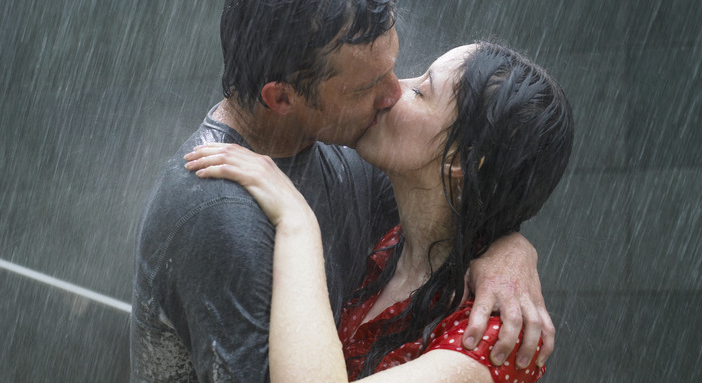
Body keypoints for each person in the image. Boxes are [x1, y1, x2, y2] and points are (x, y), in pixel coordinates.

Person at [131, 0, 554, 381]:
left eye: (406, 78)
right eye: (368, 86)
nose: (392, 94)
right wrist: (299, 223)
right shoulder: (222, 218)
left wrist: (509, 248)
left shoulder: (354, 159)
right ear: (281, 98)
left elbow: (473, 196)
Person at [185, 42, 574, 382]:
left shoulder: (495, 335)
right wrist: (513, 244)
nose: (391, 90)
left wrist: (297, 222)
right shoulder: (389, 235)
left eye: (421, 91)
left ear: (464, 160)